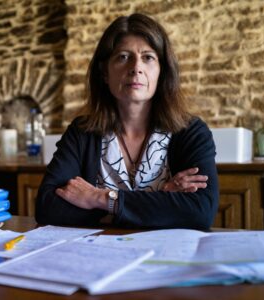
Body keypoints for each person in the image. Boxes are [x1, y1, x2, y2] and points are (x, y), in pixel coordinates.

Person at [35, 13, 218, 230]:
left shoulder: (191, 132)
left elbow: (201, 212)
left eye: (148, 57)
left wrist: (99, 198)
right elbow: (46, 206)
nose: (136, 67)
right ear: (104, 72)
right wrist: (159, 202)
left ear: (162, 71)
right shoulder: (82, 132)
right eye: (123, 57)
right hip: (100, 256)